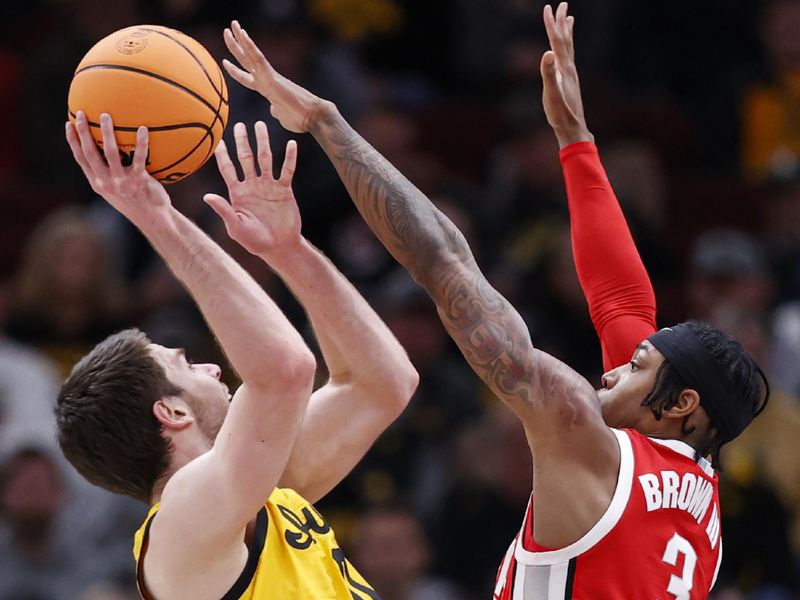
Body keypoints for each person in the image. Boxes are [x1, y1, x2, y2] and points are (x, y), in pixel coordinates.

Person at [221, 3, 769, 597]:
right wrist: (576, 143)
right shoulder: (704, 498)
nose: (611, 370)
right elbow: (620, 299)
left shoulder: (582, 430)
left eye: (636, 367)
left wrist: (329, 124)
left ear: (682, 403)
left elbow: (445, 263)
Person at [58, 111, 418, 599]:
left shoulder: (261, 492)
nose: (210, 366)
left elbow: (381, 384)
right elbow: (285, 370)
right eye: (185, 365)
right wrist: (155, 216)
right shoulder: (181, 521)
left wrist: (289, 250)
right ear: (171, 411)